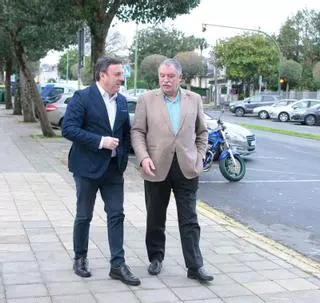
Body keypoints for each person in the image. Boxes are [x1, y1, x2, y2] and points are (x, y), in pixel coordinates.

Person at [131, 58, 213, 282]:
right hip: (155, 166)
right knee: (155, 217)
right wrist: (143, 157)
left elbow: (202, 132)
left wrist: (200, 156)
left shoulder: (194, 99)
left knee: (190, 219)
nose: (165, 80)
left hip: (187, 167)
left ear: (180, 78)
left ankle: (195, 266)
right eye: (162, 76)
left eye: (170, 76)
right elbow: (137, 132)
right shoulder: (146, 100)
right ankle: (156, 258)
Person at [62, 57, 140, 286]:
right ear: (102, 75)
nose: (122, 78)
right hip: (86, 168)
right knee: (84, 215)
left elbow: (125, 133)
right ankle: (80, 258)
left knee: (116, 214)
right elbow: (68, 129)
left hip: (114, 170)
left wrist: (126, 155)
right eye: (117, 74)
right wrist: (100, 141)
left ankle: (117, 265)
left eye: (122, 74)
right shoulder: (83, 97)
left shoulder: (123, 101)